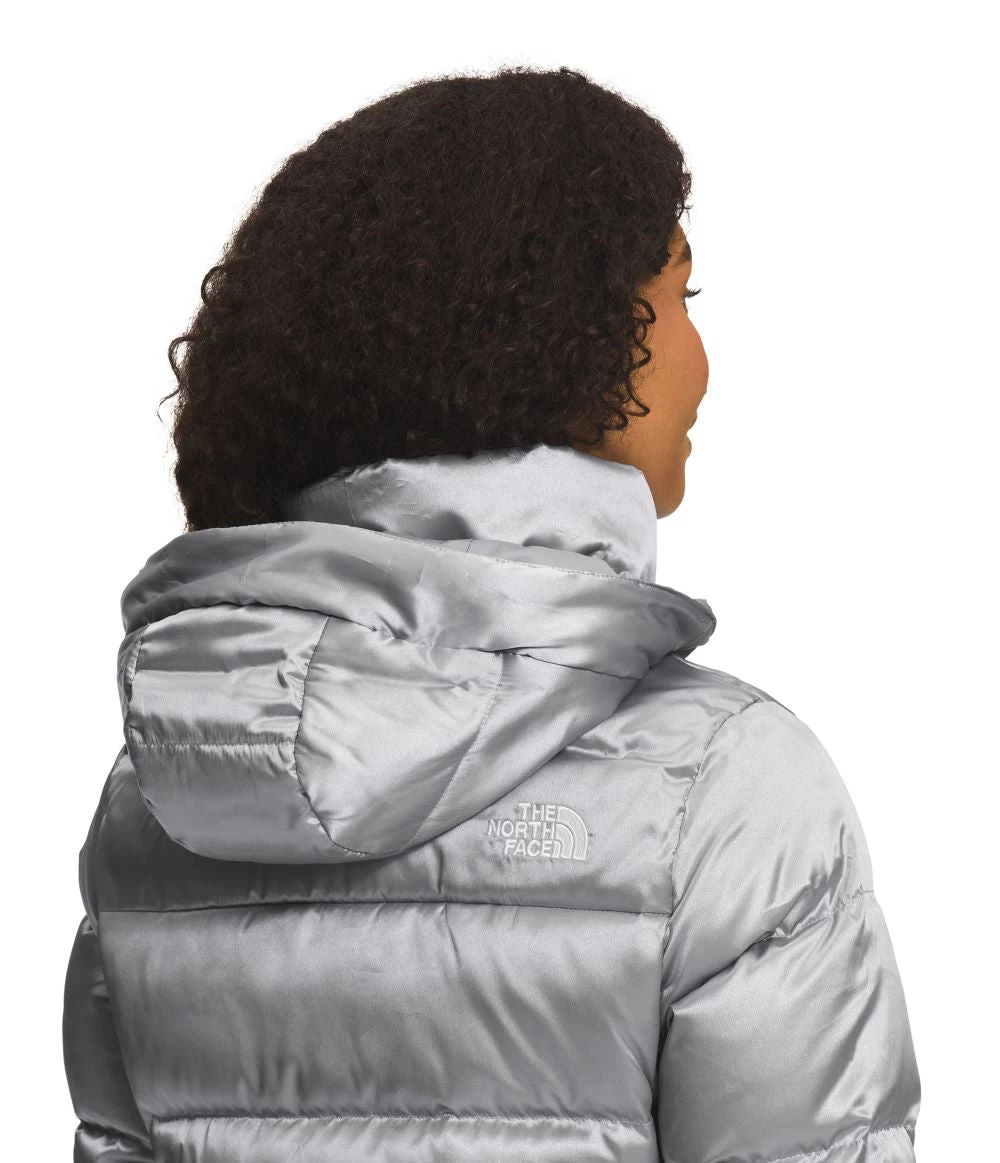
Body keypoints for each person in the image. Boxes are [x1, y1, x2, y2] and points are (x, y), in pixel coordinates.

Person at [62, 66, 921, 1162]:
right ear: (568, 337)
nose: (702, 361)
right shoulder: (725, 789)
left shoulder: (170, 787)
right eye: (680, 297)